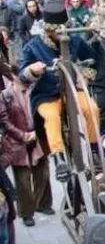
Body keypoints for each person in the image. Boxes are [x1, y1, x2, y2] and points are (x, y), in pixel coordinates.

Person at [18, 0, 100, 182]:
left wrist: (84, 77)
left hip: (72, 91)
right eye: (57, 31)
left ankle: (94, 150)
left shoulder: (75, 42)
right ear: (48, 31)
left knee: (91, 108)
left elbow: (93, 62)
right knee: (51, 117)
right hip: (46, 95)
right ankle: (59, 158)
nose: (62, 35)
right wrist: (32, 70)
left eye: (64, 29)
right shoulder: (33, 46)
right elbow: (22, 75)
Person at [0, 71, 53, 228]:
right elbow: (4, 121)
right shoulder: (5, 95)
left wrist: (38, 132)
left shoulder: (35, 90)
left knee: (42, 173)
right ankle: (26, 212)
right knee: (22, 179)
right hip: (17, 141)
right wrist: (22, 135)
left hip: (37, 137)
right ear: (14, 76)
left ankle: (42, 203)